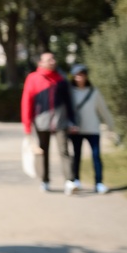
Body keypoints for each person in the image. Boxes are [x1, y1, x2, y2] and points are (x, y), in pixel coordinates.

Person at [20, 51, 77, 193]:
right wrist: (27, 127)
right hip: (41, 122)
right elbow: (26, 102)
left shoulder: (61, 79)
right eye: (48, 59)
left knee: (64, 150)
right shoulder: (33, 79)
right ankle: (44, 180)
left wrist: (73, 120)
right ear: (40, 63)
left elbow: (69, 102)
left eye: (53, 59)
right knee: (42, 152)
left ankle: (69, 181)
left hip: (60, 121)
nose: (52, 61)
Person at [69, 64, 120, 194]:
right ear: (73, 77)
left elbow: (104, 111)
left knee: (96, 156)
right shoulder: (70, 92)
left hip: (93, 130)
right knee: (76, 156)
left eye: (82, 74)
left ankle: (99, 183)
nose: (79, 77)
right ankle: (76, 181)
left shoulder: (94, 92)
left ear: (86, 76)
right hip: (76, 130)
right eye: (77, 75)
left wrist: (111, 127)